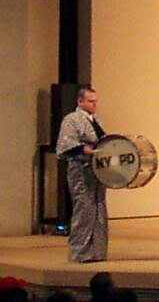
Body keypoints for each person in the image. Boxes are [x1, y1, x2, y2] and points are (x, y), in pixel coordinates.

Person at [56, 86, 108, 263]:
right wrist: (84, 149)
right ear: (80, 101)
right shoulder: (71, 119)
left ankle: (97, 252)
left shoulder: (96, 120)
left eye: (95, 101)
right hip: (80, 170)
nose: (94, 104)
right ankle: (80, 253)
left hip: (96, 170)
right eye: (91, 101)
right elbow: (65, 145)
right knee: (83, 210)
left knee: (98, 209)